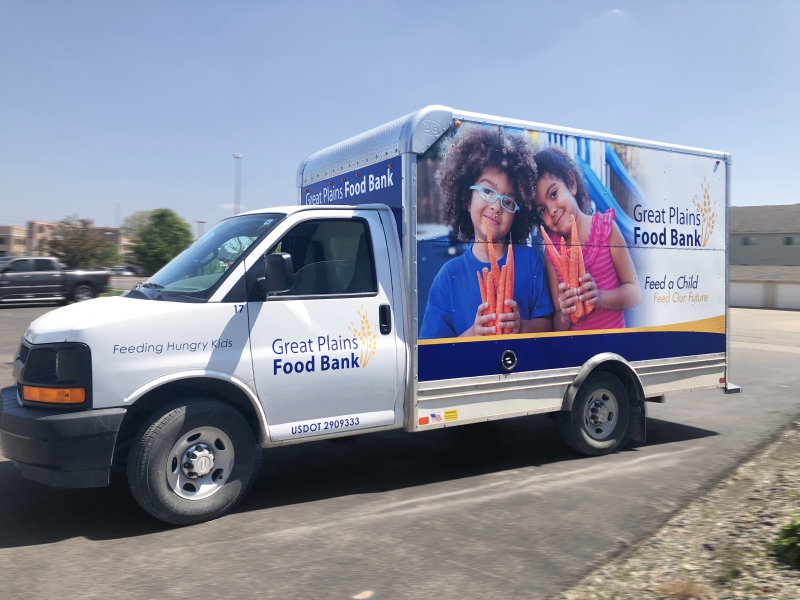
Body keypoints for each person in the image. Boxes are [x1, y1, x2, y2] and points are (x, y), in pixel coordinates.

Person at [420, 126, 553, 339]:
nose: (496, 206)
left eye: (508, 201)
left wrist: (521, 327)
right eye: (488, 191)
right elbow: (434, 349)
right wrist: (473, 334)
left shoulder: (530, 262)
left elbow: (548, 324)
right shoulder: (447, 277)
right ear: (466, 199)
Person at [533, 146, 641, 331]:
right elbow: (558, 324)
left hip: (615, 344)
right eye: (542, 209)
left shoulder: (606, 229)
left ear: (571, 184)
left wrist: (599, 298)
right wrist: (565, 314)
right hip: (578, 347)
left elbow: (634, 293)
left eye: (554, 194)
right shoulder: (552, 252)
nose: (551, 210)